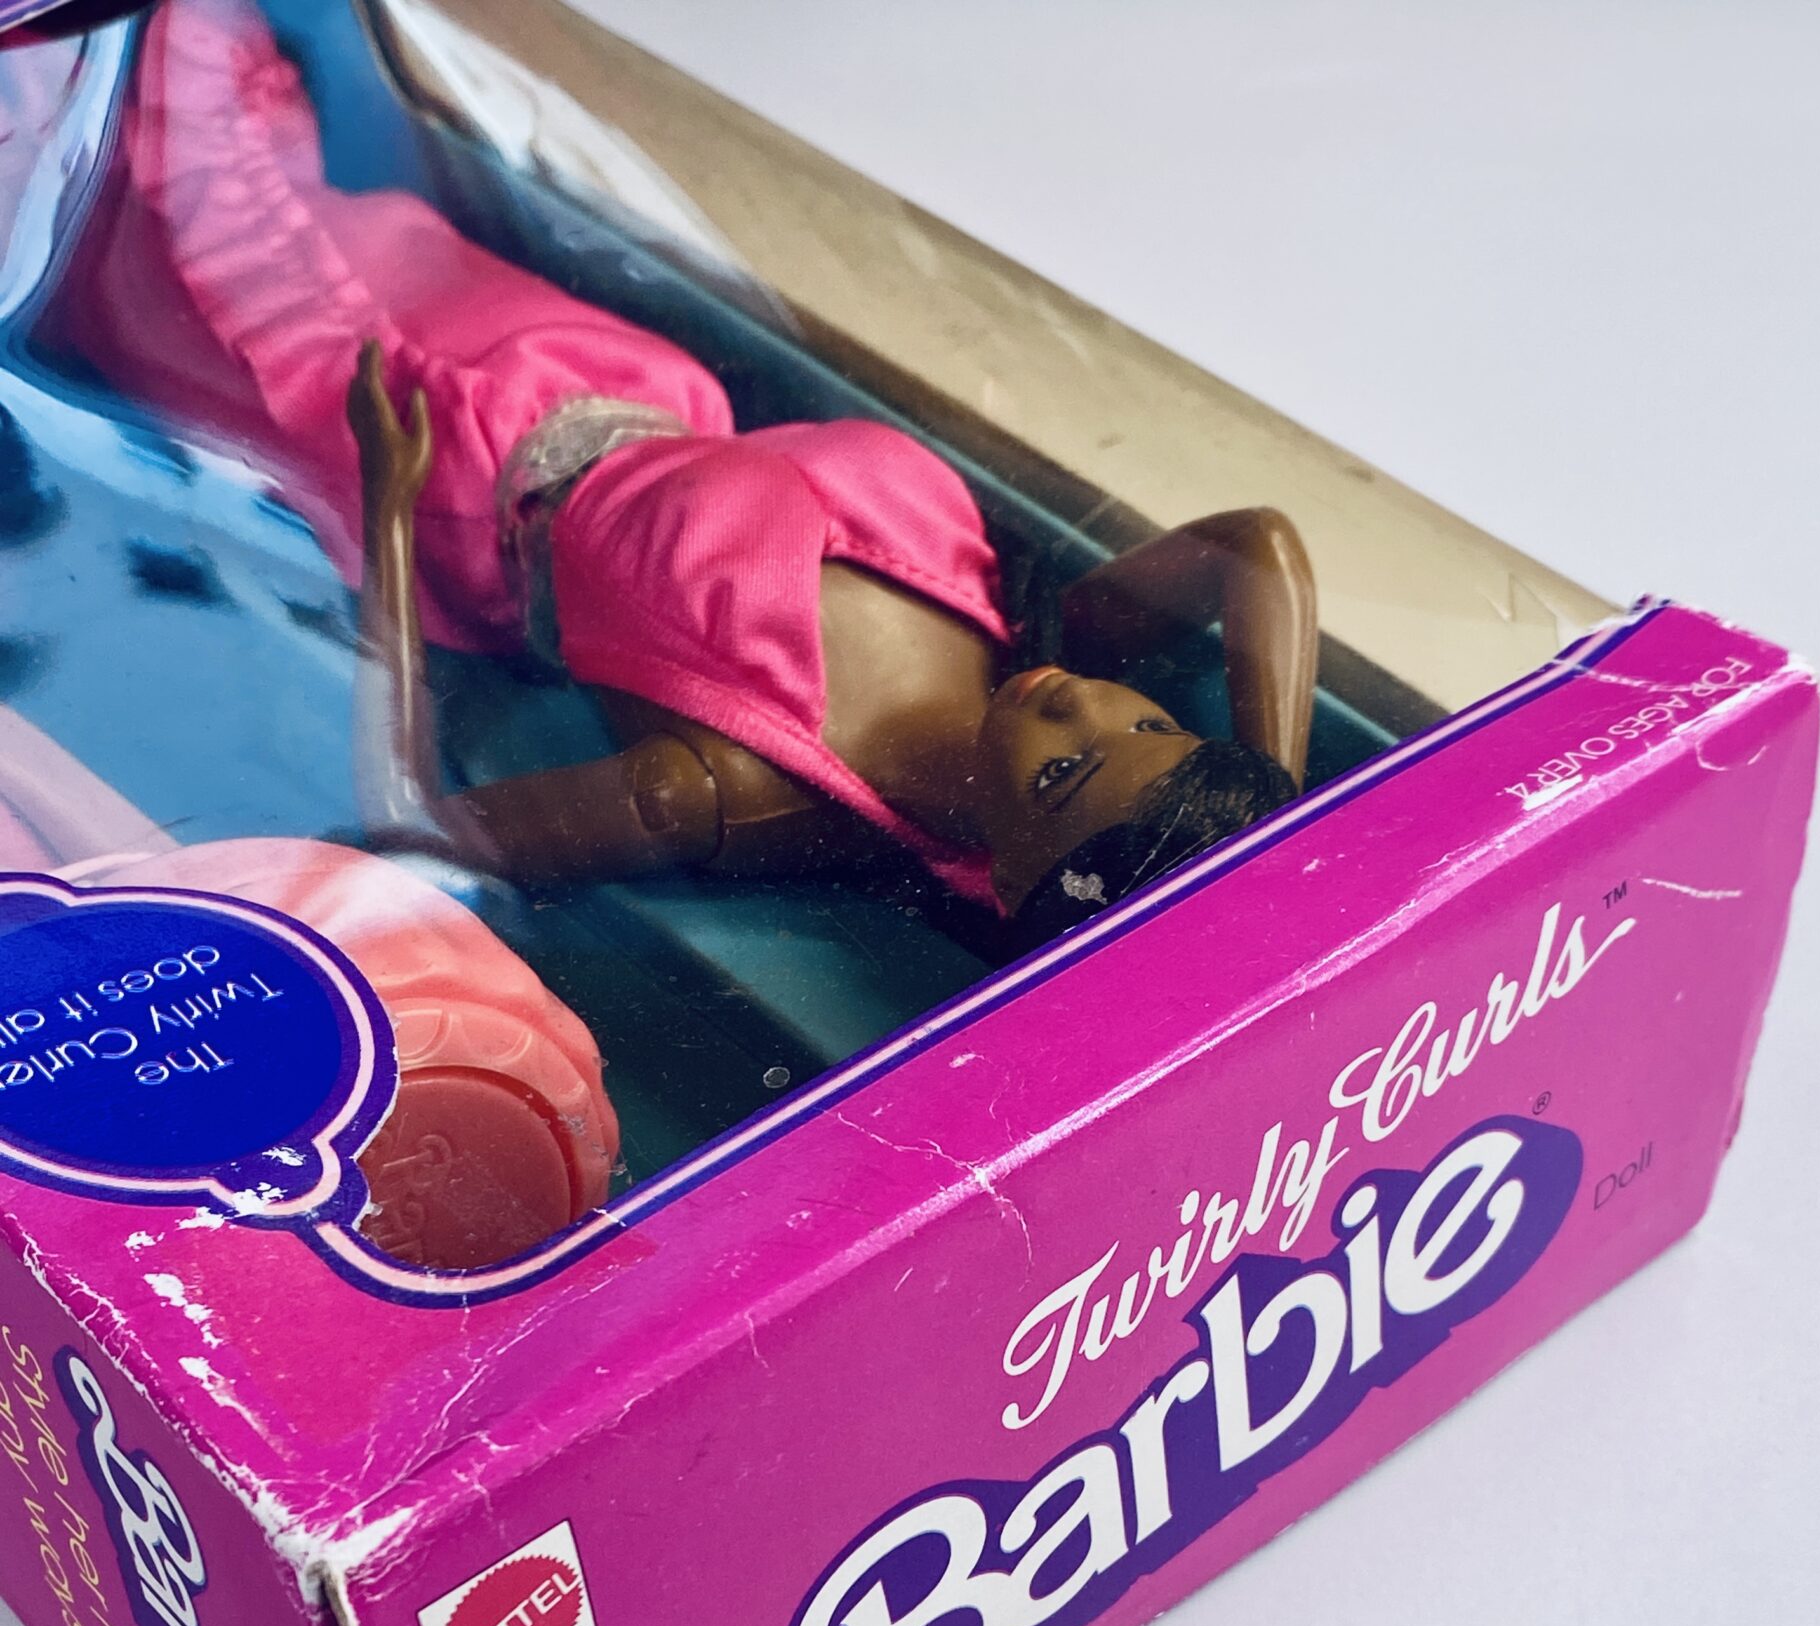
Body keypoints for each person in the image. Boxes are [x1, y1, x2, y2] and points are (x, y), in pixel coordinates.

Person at [51, 0, 1318, 938]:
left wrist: (382, 508)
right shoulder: (1028, 652)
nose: (1082, 701)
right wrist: (1275, 795)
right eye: (1147, 720)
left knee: (170, 170)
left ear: (1019, 867)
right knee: (239, 124)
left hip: (429, 441)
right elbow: (1253, 548)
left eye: (1064, 771)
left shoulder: (727, 788)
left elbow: (416, 825)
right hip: (592, 366)